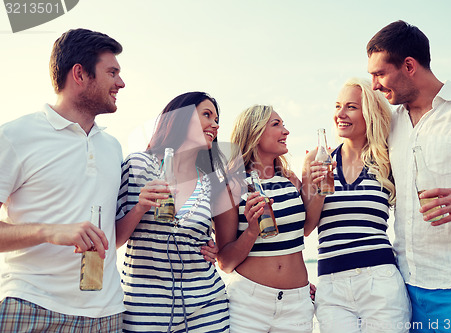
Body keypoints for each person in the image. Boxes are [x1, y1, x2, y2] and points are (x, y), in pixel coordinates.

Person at [367, 20, 451, 332]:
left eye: (380, 73)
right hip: (405, 289)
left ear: (409, 66)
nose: (374, 85)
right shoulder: (389, 124)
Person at [0, 29, 125, 331]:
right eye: (112, 72)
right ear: (80, 74)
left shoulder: (113, 147)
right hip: (32, 307)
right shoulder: (14, 136)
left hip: (107, 315)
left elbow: (113, 234)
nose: (120, 83)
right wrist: (49, 231)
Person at [115, 91, 231, 333]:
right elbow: (115, 239)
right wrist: (141, 206)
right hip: (145, 307)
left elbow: (219, 246)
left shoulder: (211, 183)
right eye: (207, 115)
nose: (215, 124)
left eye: (217, 119)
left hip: (207, 306)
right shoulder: (139, 165)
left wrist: (215, 249)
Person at [302, 78, 411, 332]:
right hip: (331, 286)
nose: (340, 114)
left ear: (369, 114)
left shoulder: (387, 159)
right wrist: (319, 190)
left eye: (350, 107)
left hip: (380, 281)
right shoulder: (316, 160)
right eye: (338, 106)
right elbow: (307, 227)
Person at [215, 105, 315, 333]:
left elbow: (307, 229)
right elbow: (225, 262)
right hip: (249, 304)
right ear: (255, 133)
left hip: (297, 303)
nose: (286, 131)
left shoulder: (291, 180)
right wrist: (251, 231)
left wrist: (317, 185)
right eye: (276, 124)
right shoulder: (230, 187)